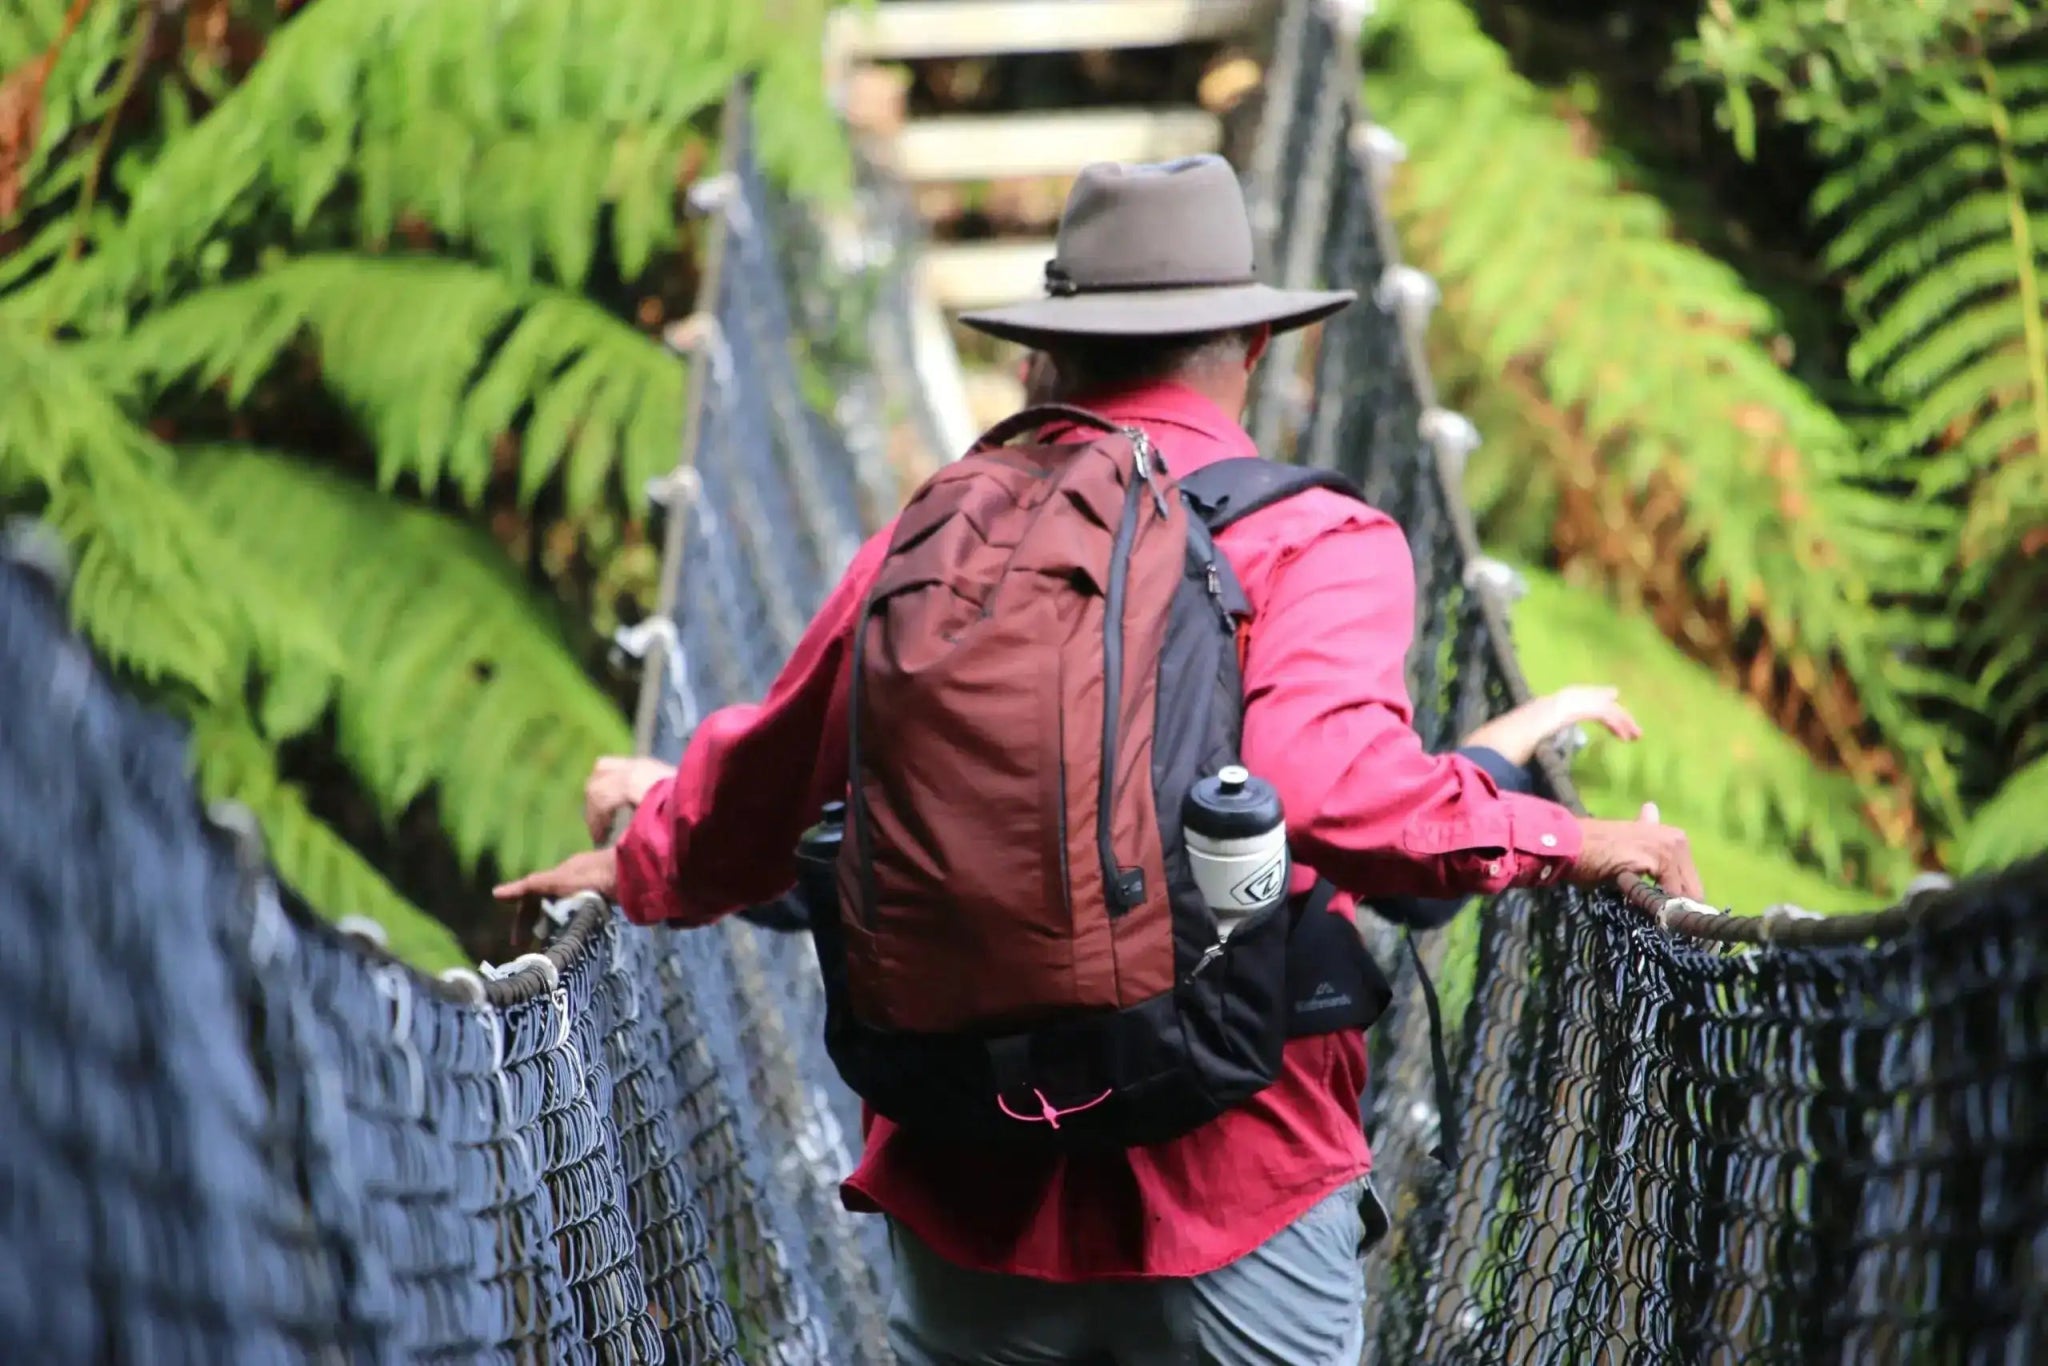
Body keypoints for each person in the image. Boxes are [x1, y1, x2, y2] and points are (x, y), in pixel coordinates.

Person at [497, 154, 1703, 1365]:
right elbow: (1332, 790)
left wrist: (643, 858)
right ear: (1254, 345)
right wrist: (1570, 836)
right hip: (1237, 1175)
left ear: (1043, 357)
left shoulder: (934, 535)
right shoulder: (1318, 539)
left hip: (962, 1181)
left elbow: (762, 787)